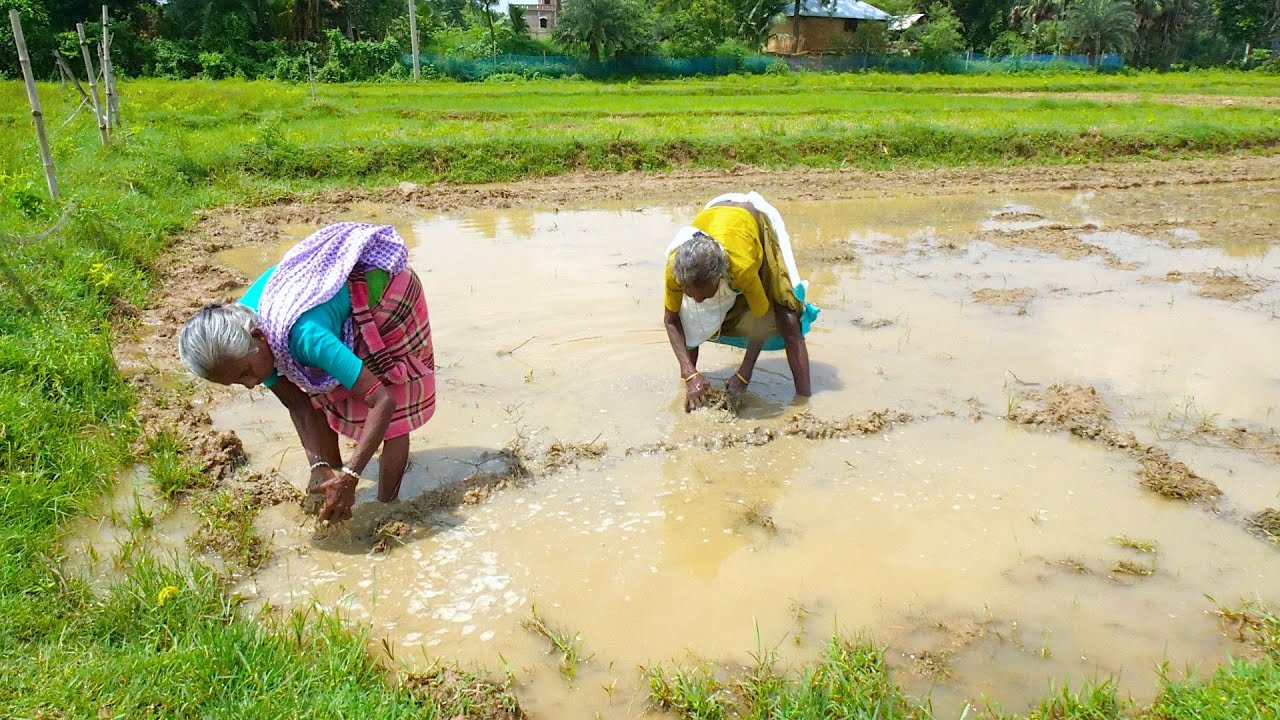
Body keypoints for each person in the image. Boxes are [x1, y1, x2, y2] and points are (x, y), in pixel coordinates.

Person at [178, 222, 436, 522]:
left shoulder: (304, 336)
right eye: (237, 382)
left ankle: (388, 508)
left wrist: (352, 477)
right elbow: (299, 404)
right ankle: (335, 482)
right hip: (328, 306)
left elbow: (383, 401)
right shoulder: (245, 340)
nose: (250, 385)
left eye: (246, 373)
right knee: (323, 395)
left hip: (386, 289)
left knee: (393, 399)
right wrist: (319, 468)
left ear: (260, 336)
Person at [663, 192, 819, 412]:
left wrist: (744, 374)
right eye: (691, 293)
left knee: (787, 315)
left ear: (721, 278)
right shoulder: (675, 268)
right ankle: (690, 386)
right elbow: (671, 320)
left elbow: (762, 316)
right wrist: (689, 373)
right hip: (714, 211)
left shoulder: (741, 268)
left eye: (705, 295)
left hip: (751, 221)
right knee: (687, 318)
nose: (698, 300)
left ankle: (804, 401)